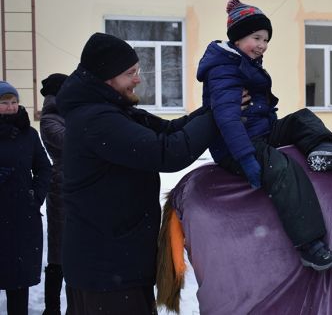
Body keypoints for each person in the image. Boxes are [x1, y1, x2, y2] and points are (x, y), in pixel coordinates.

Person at [55, 33, 221, 314]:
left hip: (115, 262)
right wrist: (218, 115)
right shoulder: (97, 120)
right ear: (106, 78)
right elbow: (168, 152)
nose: (137, 79)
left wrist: (215, 108)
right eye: (130, 73)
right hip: (107, 271)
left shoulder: (111, 111)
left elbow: (170, 130)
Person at [196, 0, 332, 271]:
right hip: (236, 144)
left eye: (266, 40)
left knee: (302, 118)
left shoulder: (245, 62)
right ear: (238, 38)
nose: (262, 45)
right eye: (256, 37)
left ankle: (324, 150)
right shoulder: (224, 69)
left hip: (258, 132)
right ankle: (311, 246)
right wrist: (246, 158)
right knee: (283, 169)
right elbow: (227, 120)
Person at [0, 81, 52, 315]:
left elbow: (44, 168)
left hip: (22, 216)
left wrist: (36, 196)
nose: (11, 107)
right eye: (4, 103)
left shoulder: (28, 134)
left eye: (14, 102)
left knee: (18, 282)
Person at [39, 73, 69, 315]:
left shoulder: (64, 114)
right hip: (60, 187)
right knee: (58, 253)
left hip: (71, 185)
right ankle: (52, 308)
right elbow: (70, 141)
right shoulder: (50, 119)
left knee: (73, 251)